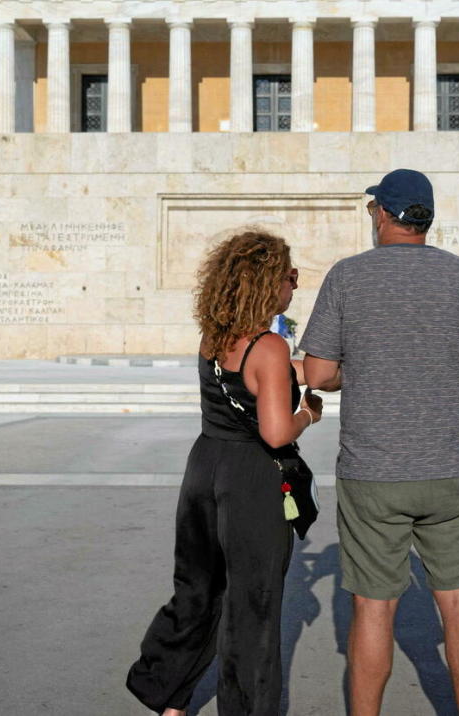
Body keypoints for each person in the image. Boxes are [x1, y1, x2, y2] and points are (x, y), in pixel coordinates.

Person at [299, 168, 459, 716]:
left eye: (372, 209)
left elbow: (319, 373)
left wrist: (358, 369)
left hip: (374, 472)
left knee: (372, 611)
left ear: (383, 214)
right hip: (456, 466)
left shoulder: (348, 277)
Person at [127, 229, 324, 716]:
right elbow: (276, 433)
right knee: (251, 608)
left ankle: (168, 695)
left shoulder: (213, 338)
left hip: (204, 467)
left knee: (197, 589)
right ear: (265, 282)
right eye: (289, 275)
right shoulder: (270, 347)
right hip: (249, 480)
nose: (294, 286)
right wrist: (310, 415)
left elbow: (246, 379)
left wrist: (298, 370)